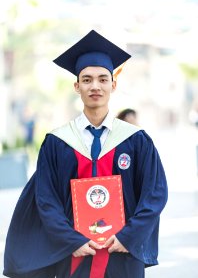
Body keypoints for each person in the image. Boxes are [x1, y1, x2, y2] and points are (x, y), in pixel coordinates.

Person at [3, 30, 168, 278]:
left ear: (113, 85)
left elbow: (154, 194)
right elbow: (46, 200)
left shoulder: (136, 141)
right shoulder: (57, 143)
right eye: (87, 79)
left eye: (103, 79)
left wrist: (128, 237)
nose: (95, 86)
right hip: (75, 256)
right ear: (76, 86)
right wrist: (72, 241)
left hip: (122, 254)